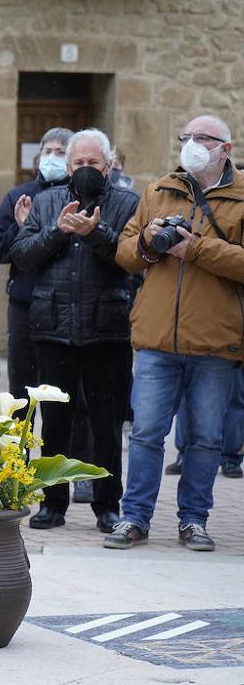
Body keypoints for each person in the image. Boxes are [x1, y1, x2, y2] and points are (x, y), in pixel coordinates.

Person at [106, 115, 244, 553]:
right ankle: (134, 518)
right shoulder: (158, 190)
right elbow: (125, 254)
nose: (192, 144)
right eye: (186, 137)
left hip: (216, 339)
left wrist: (195, 248)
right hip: (156, 337)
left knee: (205, 438)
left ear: (225, 148)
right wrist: (148, 241)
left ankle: (193, 520)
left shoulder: (242, 197)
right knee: (146, 433)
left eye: (203, 138)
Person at [11, 128, 138, 533]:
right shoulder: (47, 203)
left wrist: (96, 233)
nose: (86, 169)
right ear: (68, 167)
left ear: (109, 166)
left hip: (108, 330)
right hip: (54, 329)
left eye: (94, 164)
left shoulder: (128, 204)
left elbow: (131, 260)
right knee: (55, 424)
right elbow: (22, 255)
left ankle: (107, 504)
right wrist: (58, 231)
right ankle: (53, 502)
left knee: (107, 423)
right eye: (79, 163)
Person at [0, 128, 72, 399]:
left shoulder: (78, 197)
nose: (52, 157)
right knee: (21, 385)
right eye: (47, 151)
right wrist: (21, 228)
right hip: (24, 302)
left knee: (60, 388)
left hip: (64, 304)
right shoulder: (19, 196)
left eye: (60, 152)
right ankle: (20, 442)